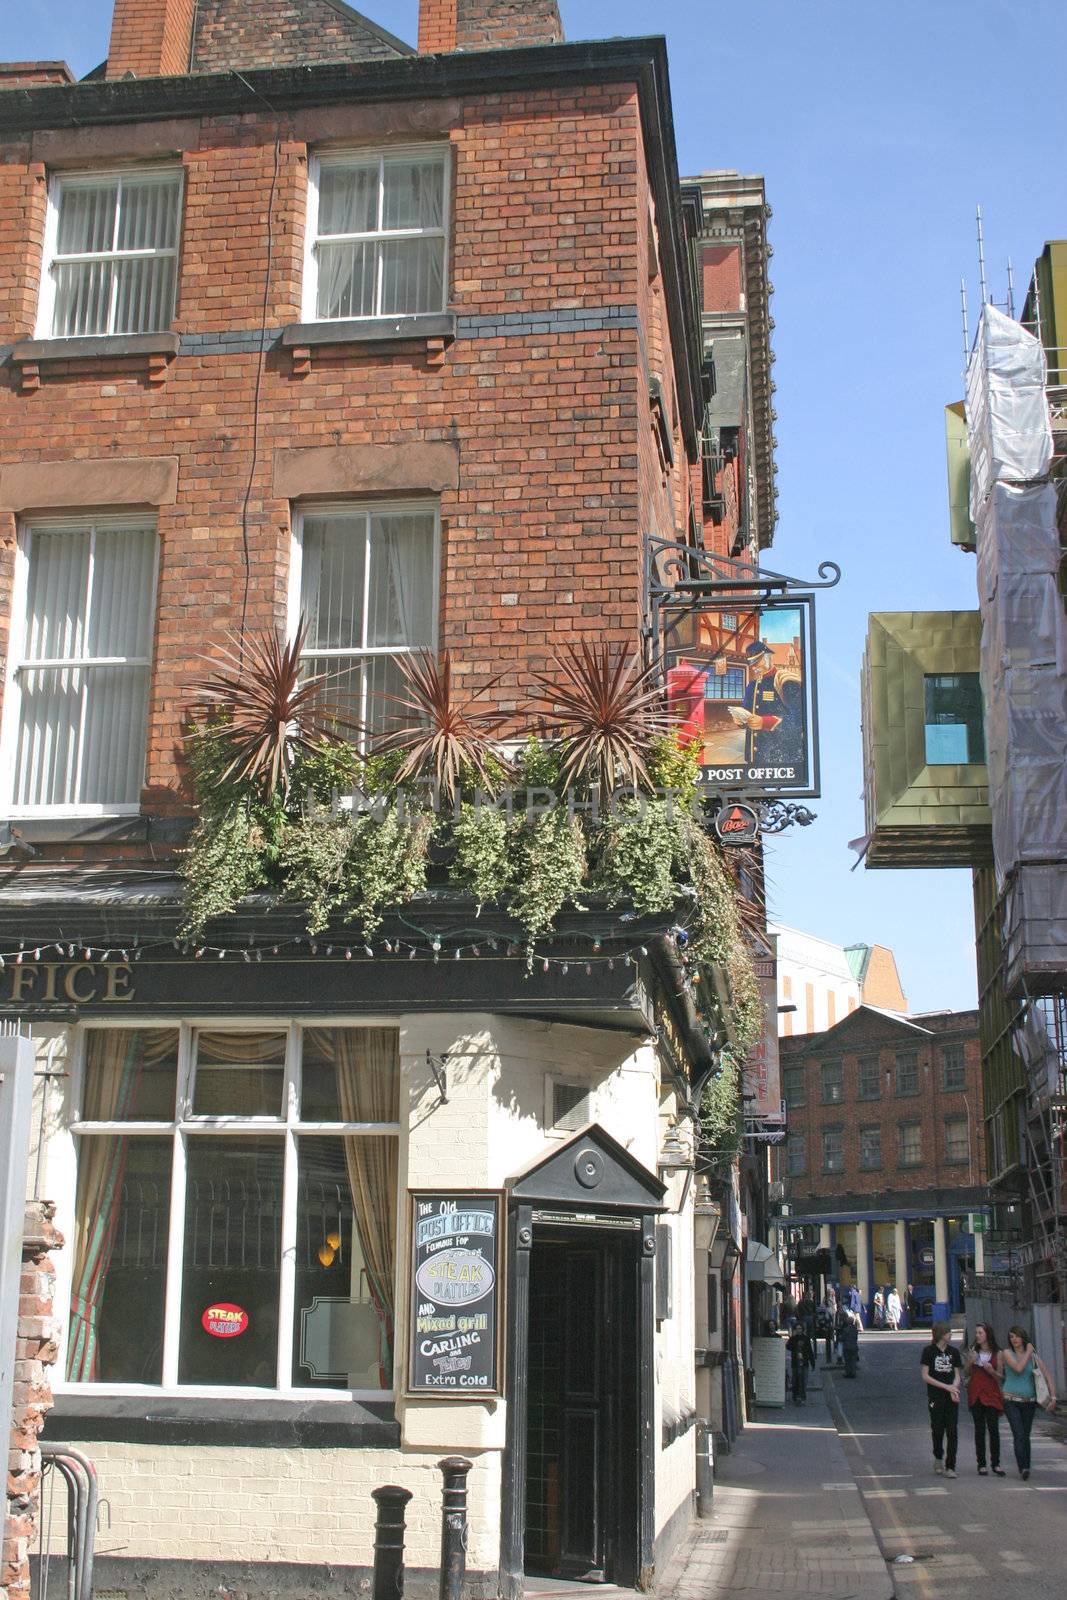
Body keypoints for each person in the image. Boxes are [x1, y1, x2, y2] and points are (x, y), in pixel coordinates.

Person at [999, 1324, 1057, 1480]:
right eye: (1011, 1337)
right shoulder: (1007, 1353)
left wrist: (1053, 1397)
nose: (1014, 1339)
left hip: (1029, 1401)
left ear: (1023, 1337)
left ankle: (1026, 1466)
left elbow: (1048, 1376)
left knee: (1025, 1435)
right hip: (1011, 1400)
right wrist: (1029, 1351)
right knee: (1018, 1433)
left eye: (1017, 1336)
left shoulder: (1033, 1357)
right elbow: (1018, 1368)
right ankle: (1023, 1467)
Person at [921, 1320, 962, 1476]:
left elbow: (957, 1375)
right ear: (941, 1335)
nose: (951, 1334)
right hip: (936, 1396)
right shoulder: (929, 1352)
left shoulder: (954, 1352)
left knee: (952, 1431)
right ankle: (938, 1456)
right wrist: (946, 1387)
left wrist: (954, 1387)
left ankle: (951, 1466)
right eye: (948, 1332)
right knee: (937, 1430)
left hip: (951, 1397)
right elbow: (925, 1376)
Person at [964, 1323, 1004, 1476]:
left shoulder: (997, 1353)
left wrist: (991, 1370)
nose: (977, 1336)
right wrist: (970, 1361)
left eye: (980, 1333)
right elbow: (967, 1372)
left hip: (991, 1393)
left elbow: (1000, 1377)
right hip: (976, 1393)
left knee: (993, 1429)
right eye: (976, 1333)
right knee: (979, 1429)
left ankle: (996, 1463)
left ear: (987, 1334)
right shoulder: (973, 1351)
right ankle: (981, 1463)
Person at [786, 1322, 815, 1405]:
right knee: (795, 1380)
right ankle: (795, 1396)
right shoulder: (793, 1338)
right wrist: (792, 1339)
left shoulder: (806, 1338)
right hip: (795, 1363)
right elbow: (788, 1346)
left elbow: (810, 1351)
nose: (799, 1330)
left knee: (803, 1380)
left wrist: (812, 1363)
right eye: (797, 1329)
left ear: (802, 1330)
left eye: (800, 1329)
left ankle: (802, 1397)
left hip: (804, 1362)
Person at [841, 1310, 861, 1378]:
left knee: (847, 1360)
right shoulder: (855, 1329)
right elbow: (855, 1337)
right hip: (854, 1347)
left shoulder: (845, 1329)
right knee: (853, 1360)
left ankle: (848, 1373)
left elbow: (843, 1338)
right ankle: (853, 1372)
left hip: (847, 1347)